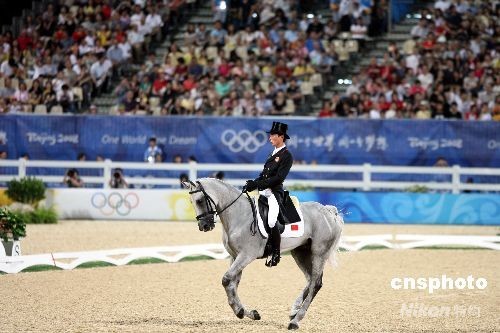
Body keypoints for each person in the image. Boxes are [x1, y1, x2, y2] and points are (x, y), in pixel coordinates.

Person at [244, 121, 293, 267]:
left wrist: (258, 184)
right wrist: (253, 183)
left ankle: (276, 253)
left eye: (272, 135)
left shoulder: (287, 155)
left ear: (281, 136)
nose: (270, 137)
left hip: (274, 193)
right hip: (263, 192)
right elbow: (265, 175)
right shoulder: (272, 153)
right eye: (270, 135)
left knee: (272, 221)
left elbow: (278, 178)